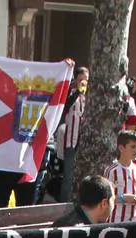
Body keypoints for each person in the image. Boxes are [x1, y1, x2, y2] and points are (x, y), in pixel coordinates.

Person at [57, 66, 90, 201]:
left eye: (86, 80)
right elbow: (65, 107)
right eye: (80, 79)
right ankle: (63, 202)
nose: (83, 82)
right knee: (68, 175)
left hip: (84, 141)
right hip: (71, 140)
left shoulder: (89, 96)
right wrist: (77, 92)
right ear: (75, 80)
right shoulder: (70, 93)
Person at [104, 130, 136, 223]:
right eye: (133, 147)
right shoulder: (111, 171)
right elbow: (105, 198)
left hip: (135, 219)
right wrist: (124, 198)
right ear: (121, 148)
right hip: (116, 220)